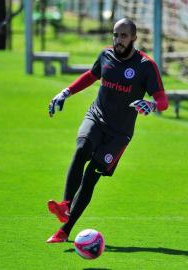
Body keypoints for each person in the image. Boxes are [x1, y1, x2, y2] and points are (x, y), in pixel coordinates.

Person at [46, 18, 168, 243]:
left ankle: (64, 231)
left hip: (119, 134)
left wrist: (151, 105)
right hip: (96, 116)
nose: (118, 40)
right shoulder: (105, 55)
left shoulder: (145, 66)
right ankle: (64, 205)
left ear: (133, 38)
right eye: (115, 34)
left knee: (91, 175)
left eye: (123, 36)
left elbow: (162, 100)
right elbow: (91, 76)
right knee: (82, 147)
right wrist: (66, 92)